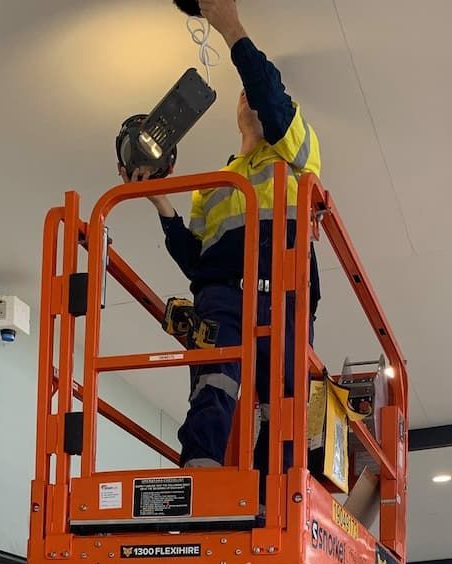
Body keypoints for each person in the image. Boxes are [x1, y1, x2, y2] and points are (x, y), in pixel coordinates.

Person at [121, 0, 321, 473]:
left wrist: (229, 26)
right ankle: (202, 472)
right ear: (234, 113)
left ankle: (273, 493)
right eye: (245, 96)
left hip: (285, 296)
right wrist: (160, 202)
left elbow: (271, 98)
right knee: (215, 383)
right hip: (223, 298)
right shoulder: (214, 187)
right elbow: (197, 263)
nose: (252, 99)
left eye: (257, 94)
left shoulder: (298, 155)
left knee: (284, 403)